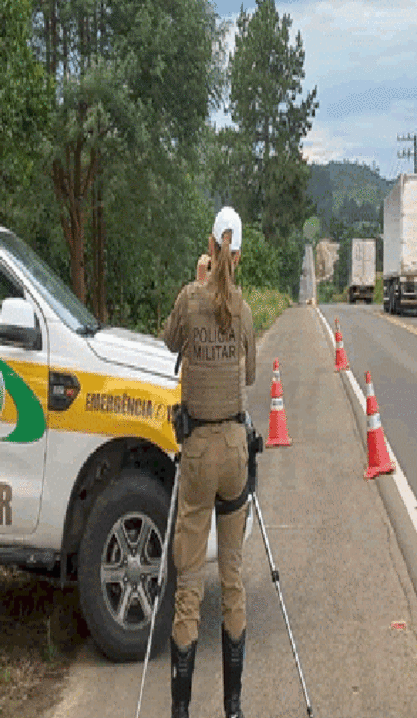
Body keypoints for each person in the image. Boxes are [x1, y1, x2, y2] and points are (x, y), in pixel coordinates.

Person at [162, 206, 257, 718]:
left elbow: (168, 343)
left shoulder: (189, 299)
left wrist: (197, 283)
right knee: (235, 577)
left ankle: (181, 711)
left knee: (190, 583)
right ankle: (233, 708)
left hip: (197, 452)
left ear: (210, 246)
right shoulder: (242, 309)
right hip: (234, 454)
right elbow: (249, 377)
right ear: (238, 253)